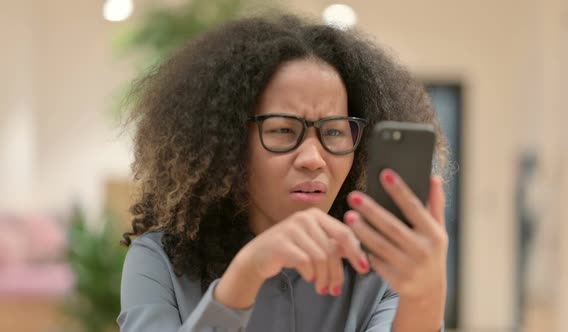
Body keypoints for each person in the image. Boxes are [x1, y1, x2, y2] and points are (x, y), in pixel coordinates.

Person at [118, 13, 449, 332]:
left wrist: (426, 294)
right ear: (229, 145)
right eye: (282, 130)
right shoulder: (159, 260)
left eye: (334, 132)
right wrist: (248, 271)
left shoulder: (379, 264)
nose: (313, 158)